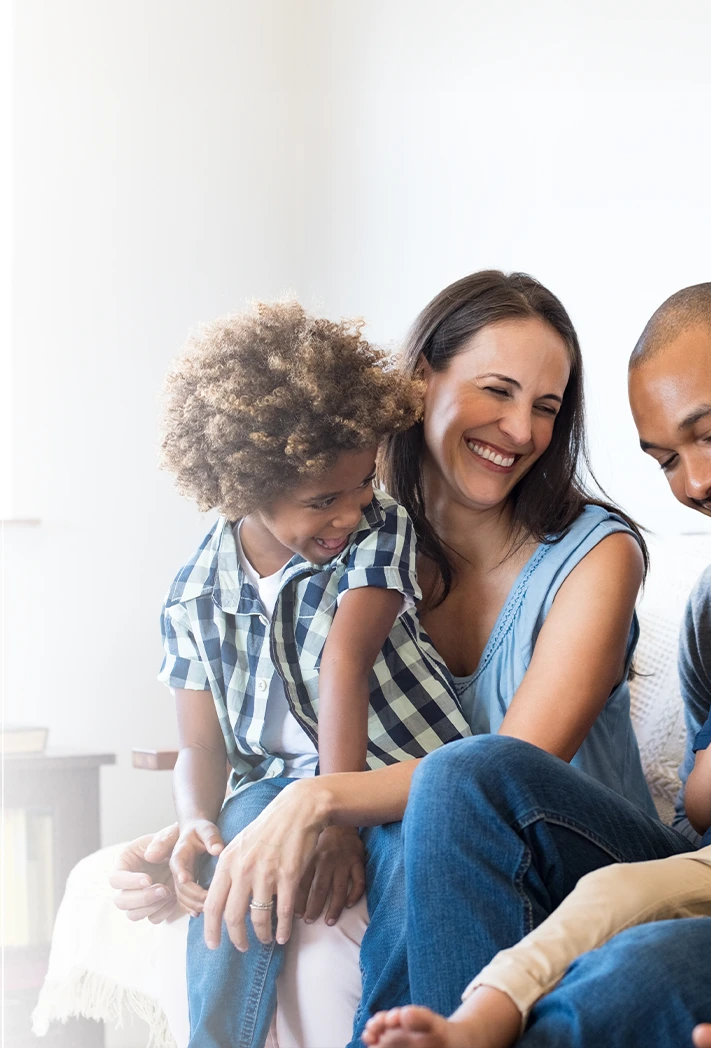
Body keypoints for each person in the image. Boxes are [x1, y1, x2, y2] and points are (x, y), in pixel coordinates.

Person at [338, 282, 711, 1047]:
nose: (697, 483)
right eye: (666, 461)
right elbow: (703, 817)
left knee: (633, 972)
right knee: (464, 774)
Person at [111, 271, 654, 1046]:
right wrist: (202, 837)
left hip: (568, 850)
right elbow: (264, 724)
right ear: (421, 379)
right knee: (260, 821)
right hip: (425, 828)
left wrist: (322, 801)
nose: (522, 430)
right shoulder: (346, 535)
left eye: (546, 406)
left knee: (440, 796)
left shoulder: (595, 557)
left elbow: (508, 770)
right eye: (497, 391)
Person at [155, 298, 471, 1047]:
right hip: (274, 786)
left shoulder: (377, 527)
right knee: (238, 841)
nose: (349, 510)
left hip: (400, 769)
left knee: (405, 866)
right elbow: (202, 745)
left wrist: (335, 816)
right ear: (242, 489)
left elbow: (344, 664)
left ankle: (391, 1033)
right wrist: (196, 820)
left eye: (362, 482)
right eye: (322, 500)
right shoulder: (195, 594)